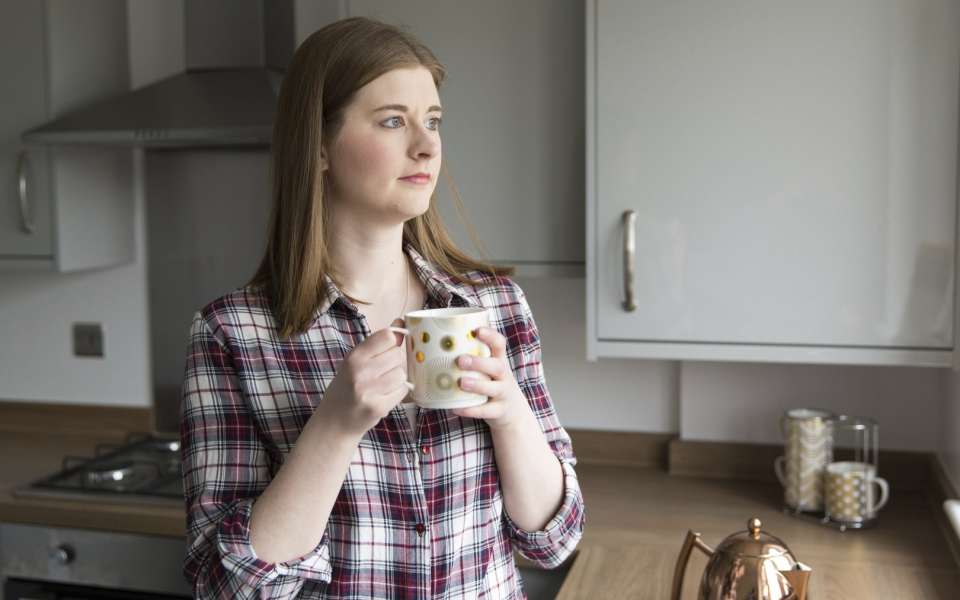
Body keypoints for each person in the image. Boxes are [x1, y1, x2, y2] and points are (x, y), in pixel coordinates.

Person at [179, 16, 584, 600]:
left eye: (434, 121)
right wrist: (335, 426)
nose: (427, 145)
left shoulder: (494, 306)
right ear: (318, 148)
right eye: (393, 121)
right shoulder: (231, 334)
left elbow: (555, 539)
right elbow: (227, 588)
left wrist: (510, 413)